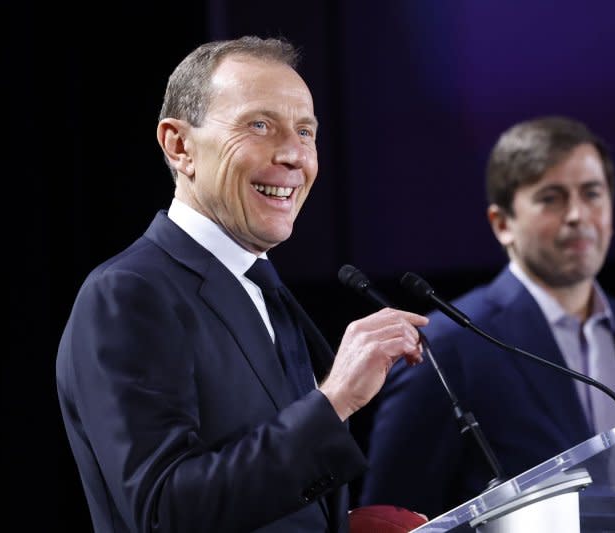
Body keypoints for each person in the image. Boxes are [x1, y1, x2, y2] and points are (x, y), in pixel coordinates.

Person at [55, 35, 429, 533]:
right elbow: (164, 512)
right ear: (179, 145)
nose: (295, 155)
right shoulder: (128, 294)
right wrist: (335, 397)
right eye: (259, 125)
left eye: (305, 131)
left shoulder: (262, 290)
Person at [359, 116, 615, 519]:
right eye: (551, 198)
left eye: (592, 194)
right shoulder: (447, 346)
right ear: (502, 224)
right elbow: (393, 517)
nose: (577, 215)